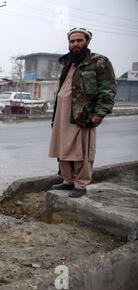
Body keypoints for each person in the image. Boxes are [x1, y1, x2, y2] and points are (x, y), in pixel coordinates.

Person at [49, 28, 117, 198]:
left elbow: (108, 90)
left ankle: (80, 184)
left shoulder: (99, 62)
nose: (75, 44)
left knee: (81, 151)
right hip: (62, 114)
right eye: (72, 41)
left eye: (79, 40)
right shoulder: (68, 63)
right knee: (63, 148)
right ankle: (68, 181)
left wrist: (99, 114)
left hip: (83, 114)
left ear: (87, 42)